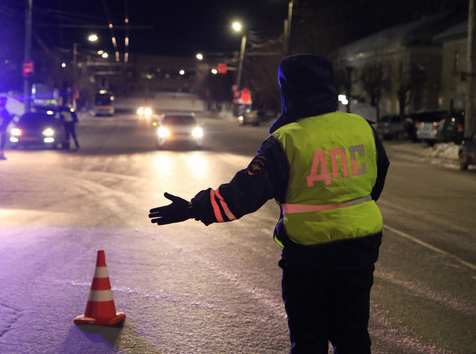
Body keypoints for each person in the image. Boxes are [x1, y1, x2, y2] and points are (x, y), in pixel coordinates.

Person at [149, 54, 390, 353]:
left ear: (288, 90)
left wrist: (193, 208)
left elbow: (243, 195)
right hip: (360, 250)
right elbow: (376, 180)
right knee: (352, 336)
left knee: (309, 339)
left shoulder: (286, 140)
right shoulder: (363, 128)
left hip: (308, 254)